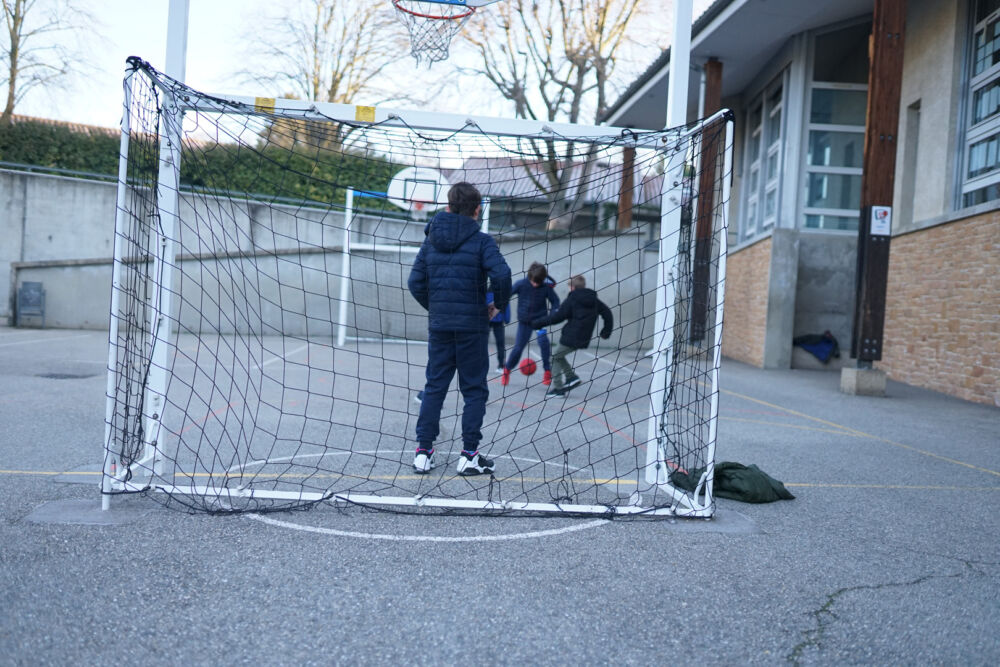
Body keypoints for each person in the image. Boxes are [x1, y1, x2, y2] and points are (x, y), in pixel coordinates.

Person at [407, 182, 511, 475]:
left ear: (448, 207)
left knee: (434, 388)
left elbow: (414, 283)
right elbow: (502, 275)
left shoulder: (430, 240)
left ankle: (423, 453)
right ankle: (468, 456)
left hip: (441, 327)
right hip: (472, 327)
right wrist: (497, 305)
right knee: (474, 390)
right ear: (477, 209)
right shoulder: (482, 241)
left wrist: (438, 307)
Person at [531, 274, 613, 398]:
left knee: (554, 357)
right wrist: (606, 332)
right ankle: (571, 377)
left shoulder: (573, 298)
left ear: (573, 287)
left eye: (569, 287)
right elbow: (608, 313)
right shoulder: (594, 300)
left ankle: (559, 388)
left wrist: (537, 323)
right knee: (558, 355)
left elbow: (558, 317)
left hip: (571, 335)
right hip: (584, 337)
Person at [501, 262, 560, 386]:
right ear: (529, 277)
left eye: (538, 282)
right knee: (518, 348)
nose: (535, 284)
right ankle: (507, 370)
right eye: (534, 281)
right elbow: (507, 295)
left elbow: (555, 302)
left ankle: (547, 372)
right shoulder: (521, 284)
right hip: (524, 322)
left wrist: (554, 312)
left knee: (544, 343)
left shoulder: (546, 287)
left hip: (540, 321)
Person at [486, 289, 510, 373]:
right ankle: (500, 365)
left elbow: (506, 304)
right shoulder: (486, 291)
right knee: (484, 343)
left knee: (500, 343)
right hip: (487, 320)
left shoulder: (501, 292)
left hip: (498, 321)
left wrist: (507, 319)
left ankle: (501, 365)